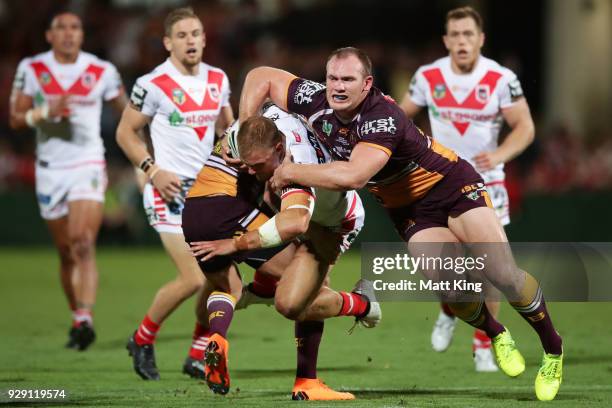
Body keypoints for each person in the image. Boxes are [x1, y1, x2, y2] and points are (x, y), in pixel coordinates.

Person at [237, 47, 563, 401]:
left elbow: (355, 175)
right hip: (410, 211)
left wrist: (290, 171)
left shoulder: (381, 116)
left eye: (348, 79)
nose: (338, 86)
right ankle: (496, 332)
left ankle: (553, 350)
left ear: (367, 84)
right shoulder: (315, 99)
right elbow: (261, 76)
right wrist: (243, 128)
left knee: (501, 273)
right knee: (452, 289)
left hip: (451, 186)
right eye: (333, 78)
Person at [187, 105, 380, 399]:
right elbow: (293, 222)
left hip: (194, 215)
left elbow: (295, 220)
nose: (249, 169)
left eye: (256, 164)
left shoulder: (290, 160)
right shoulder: (264, 143)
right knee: (300, 297)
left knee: (230, 289)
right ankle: (360, 307)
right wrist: (237, 242)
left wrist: (238, 242)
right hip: (239, 210)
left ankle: (217, 337)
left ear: (278, 147)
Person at [399, 6, 535, 372]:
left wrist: (501, 153)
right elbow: (399, 116)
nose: (462, 41)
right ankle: (448, 308)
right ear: (446, 40)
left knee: (492, 268)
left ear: (481, 39)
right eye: (455, 35)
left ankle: (484, 345)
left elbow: (524, 126)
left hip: (486, 183)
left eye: (468, 34)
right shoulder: (428, 77)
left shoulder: (501, 78)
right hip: (438, 183)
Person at [115, 7, 233, 380]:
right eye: (182, 35)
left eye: (196, 33)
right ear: (168, 43)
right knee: (195, 278)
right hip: (168, 193)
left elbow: (228, 130)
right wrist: (152, 170)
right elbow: (125, 132)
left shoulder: (218, 79)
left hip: (207, 195)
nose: (191, 41)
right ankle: (142, 337)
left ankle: (197, 354)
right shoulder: (152, 83)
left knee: (224, 282)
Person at [9, 12, 127, 351]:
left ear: (82, 34)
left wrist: (139, 151)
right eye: (61, 27)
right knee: (65, 252)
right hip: (49, 169)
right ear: (49, 35)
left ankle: (85, 318)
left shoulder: (100, 71)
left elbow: (127, 112)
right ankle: (77, 314)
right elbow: (16, 118)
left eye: (75, 27)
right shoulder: (32, 69)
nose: (68, 33)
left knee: (82, 243)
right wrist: (44, 112)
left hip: (87, 163)